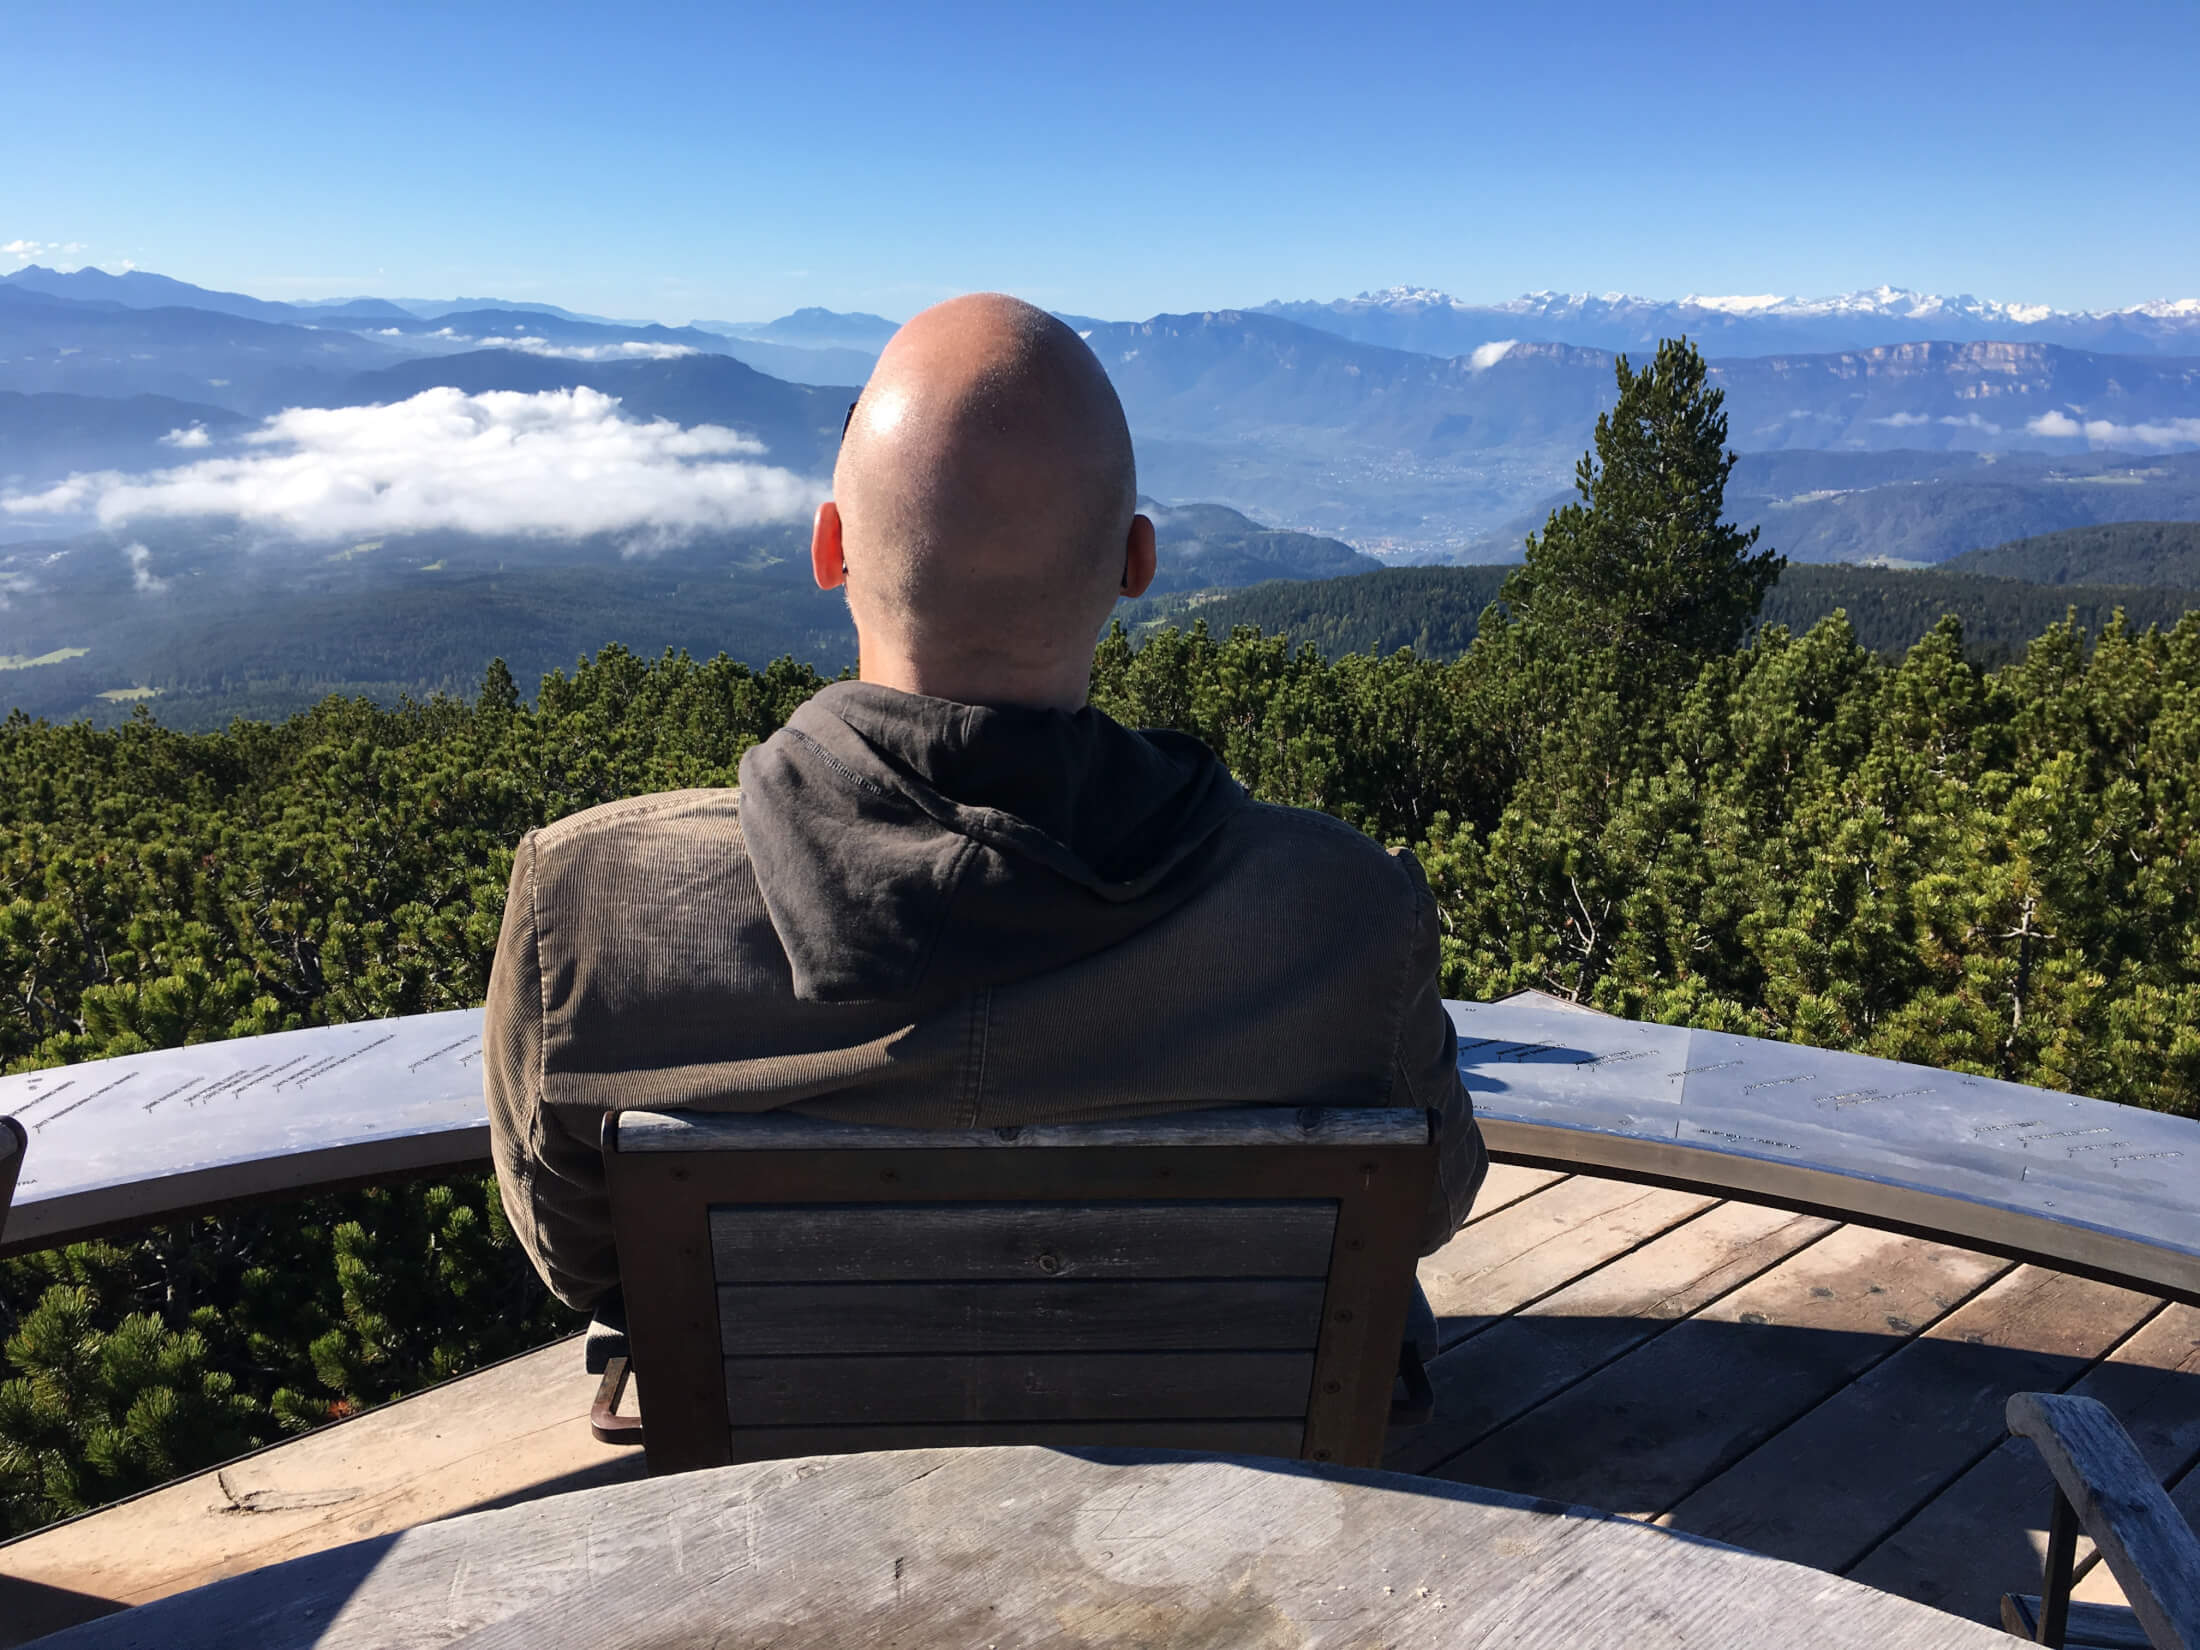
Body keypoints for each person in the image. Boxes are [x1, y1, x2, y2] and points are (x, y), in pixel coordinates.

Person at [484, 293, 1486, 1313]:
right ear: (1138, 563)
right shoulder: (1344, 916)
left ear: (830, 549)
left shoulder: (585, 916)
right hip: (1226, 1463)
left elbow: (581, 1264)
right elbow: (1427, 1206)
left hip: (792, 1461)